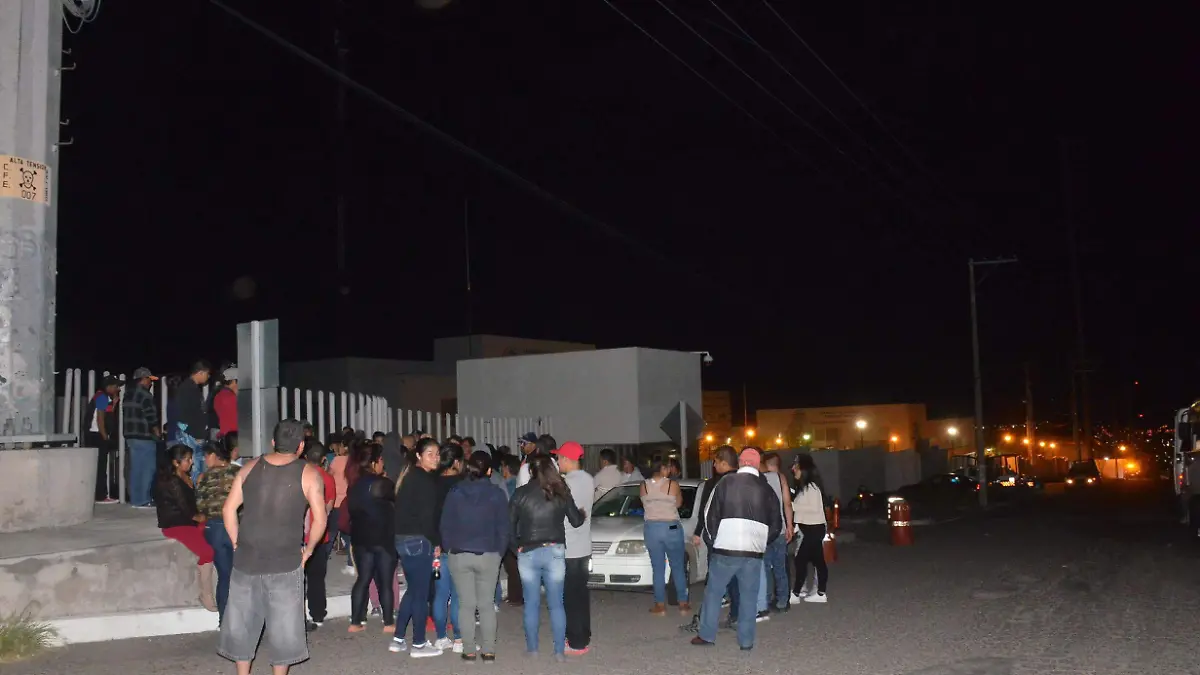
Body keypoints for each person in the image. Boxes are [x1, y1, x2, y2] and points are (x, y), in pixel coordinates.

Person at [217, 419, 329, 675]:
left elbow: (228, 509)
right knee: (284, 629)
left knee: (242, 626)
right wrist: (309, 551)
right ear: (301, 445)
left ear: (272, 442)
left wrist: (236, 542)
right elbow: (320, 519)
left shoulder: (249, 467)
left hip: (247, 559)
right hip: (286, 562)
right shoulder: (310, 473)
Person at [691, 447, 782, 651]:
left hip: (725, 549)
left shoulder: (725, 483)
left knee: (714, 592)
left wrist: (716, 538)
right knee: (749, 597)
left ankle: (707, 635)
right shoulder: (766, 489)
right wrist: (761, 541)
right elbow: (777, 524)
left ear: (740, 462)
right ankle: (746, 641)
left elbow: (709, 516)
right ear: (758, 465)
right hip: (753, 552)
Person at [509, 454, 586, 662]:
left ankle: (533, 649)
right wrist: (583, 512)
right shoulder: (561, 491)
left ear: (531, 471)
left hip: (527, 551)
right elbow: (576, 521)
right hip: (554, 550)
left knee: (531, 603)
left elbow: (509, 527)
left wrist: (517, 550)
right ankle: (559, 652)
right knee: (556, 604)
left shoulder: (520, 494)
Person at [441, 450, 509, 663]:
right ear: (489, 470)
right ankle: (488, 650)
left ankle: (469, 649)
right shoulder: (496, 494)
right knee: (486, 604)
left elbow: (445, 524)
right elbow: (504, 527)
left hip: (460, 554)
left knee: (466, 604)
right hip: (488, 553)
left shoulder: (455, 491)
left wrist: (449, 546)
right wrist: (500, 550)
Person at [389, 437, 444, 658]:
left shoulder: (410, 476)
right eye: (430, 453)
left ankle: (398, 638)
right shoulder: (424, 480)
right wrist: (436, 542)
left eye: (438, 453)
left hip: (404, 540)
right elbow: (427, 517)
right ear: (419, 456)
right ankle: (419, 644)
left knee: (413, 591)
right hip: (419, 540)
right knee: (420, 594)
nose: (436, 457)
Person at [154, 444, 217, 612]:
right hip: (176, 523)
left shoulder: (184, 476)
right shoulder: (172, 480)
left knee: (216, 531)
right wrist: (200, 517)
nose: (191, 463)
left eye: (190, 459)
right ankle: (206, 594)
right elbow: (185, 508)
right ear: (176, 462)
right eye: (187, 460)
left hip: (188, 520)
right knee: (207, 552)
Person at [684, 445, 738, 632]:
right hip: (740, 538)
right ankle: (737, 617)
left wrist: (700, 532)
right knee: (736, 579)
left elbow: (704, 512)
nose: (713, 465)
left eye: (715, 461)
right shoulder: (745, 481)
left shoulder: (714, 484)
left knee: (714, 580)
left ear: (724, 462)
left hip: (717, 537)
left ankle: (703, 621)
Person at [345, 441, 397, 633]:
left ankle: (355, 621)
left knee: (363, 579)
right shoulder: (382, 484)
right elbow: (395, 502)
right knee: (385, 581)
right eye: (381, 459)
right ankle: (388, 623)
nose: (383, 463)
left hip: (360, 539)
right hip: (383, 538)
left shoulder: (354, 485)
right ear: (374, 462)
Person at [554, 442, 594, 656]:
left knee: (570, 597)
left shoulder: (565, 483)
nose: (558, 462)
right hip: (584, 546)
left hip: (568, 547)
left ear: (567, 459)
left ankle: (576, 642)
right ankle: (584, 635)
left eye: (559, 458)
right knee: (580, 593)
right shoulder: (589, 479)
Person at [196, 439, 239, 623]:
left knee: (225, 575)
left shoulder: (204, 478)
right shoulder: (238, 472)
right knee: (242, 576)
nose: (205, 460)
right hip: (236, 527)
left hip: (214, 529)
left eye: (206, 456)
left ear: (214, 455)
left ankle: (224, 621)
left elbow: (200, 505)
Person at [642, 457, 689, 616]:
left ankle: (660, 605)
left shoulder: (644, 485)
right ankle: (683, 603)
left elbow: (645, 504)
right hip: (672, 528)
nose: (669, 470)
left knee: (658, 568)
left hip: (652, 529)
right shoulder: (672, 484)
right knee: (677, 566)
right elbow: (678, 504)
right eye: (668, 467)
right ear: (662, 468)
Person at [432, 443, 465, 652]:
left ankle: (441, 637)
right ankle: (460, 640)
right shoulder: (463, 484)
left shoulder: (431, 483)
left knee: (440, 594)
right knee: (459, 595)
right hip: (460, 545)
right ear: (456, 462)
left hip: (438, 546)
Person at [302, 440, 334, 632]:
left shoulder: (301, 475)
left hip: (299, 536)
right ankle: (318, 613)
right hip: (319, 535)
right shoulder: (327, 479)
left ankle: (299, 616)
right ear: (323, 459)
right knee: (316, 577)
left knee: (297, 579)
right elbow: (328, 508)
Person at [790, 453, 830, 604]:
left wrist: (792, 506)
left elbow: (813, 508)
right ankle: (820, 593)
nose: (793, 469)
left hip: (814, 529)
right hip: (810, 529)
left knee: (801, 560)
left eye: (796, 467)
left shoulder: (811, 487)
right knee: (817, 561)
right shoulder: (804, 487)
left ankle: (796, 593)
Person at [759, 452, 794, 613]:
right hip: (779, 529)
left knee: (765, 568)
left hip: (762, 531)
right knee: (780, 567)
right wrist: (789, 525)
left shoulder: (757, 479)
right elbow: (787, 504)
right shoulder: (781, 478)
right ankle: (782, 601)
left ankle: (765, 601)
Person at [122, 367, 160, 508]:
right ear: (143, 379)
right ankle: (144, 499)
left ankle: (135, 499)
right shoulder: (145, 395)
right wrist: (157, 431)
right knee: (148, 468)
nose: (150, 383)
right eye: (149, 380)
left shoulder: (128, 394)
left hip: (130, 436)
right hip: (144, 436)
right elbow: (151, 416)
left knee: (136, 468)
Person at [169, 360, 212, 482]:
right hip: (191, 436)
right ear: (200, 372)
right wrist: (194, 433)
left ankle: (194, 494)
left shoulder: (191, 388)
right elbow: (182, 417)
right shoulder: (187, 389)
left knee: (197, 467)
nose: (208, 377)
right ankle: (192, 494)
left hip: (193, 434)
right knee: (193, 466)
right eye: (207, 374)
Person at [85, 375, 122, 503]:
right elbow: (100, 419)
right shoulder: (102, 397)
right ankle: (100, 496)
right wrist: (105, 437)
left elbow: (106, 413)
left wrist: (114, 403)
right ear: (109, 387)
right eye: (116, 386)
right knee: (100, 467)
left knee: (98, 466)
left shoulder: (100, 396)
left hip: (93, 435)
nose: (118, 388)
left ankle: (97, 495)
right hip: (97, 435)